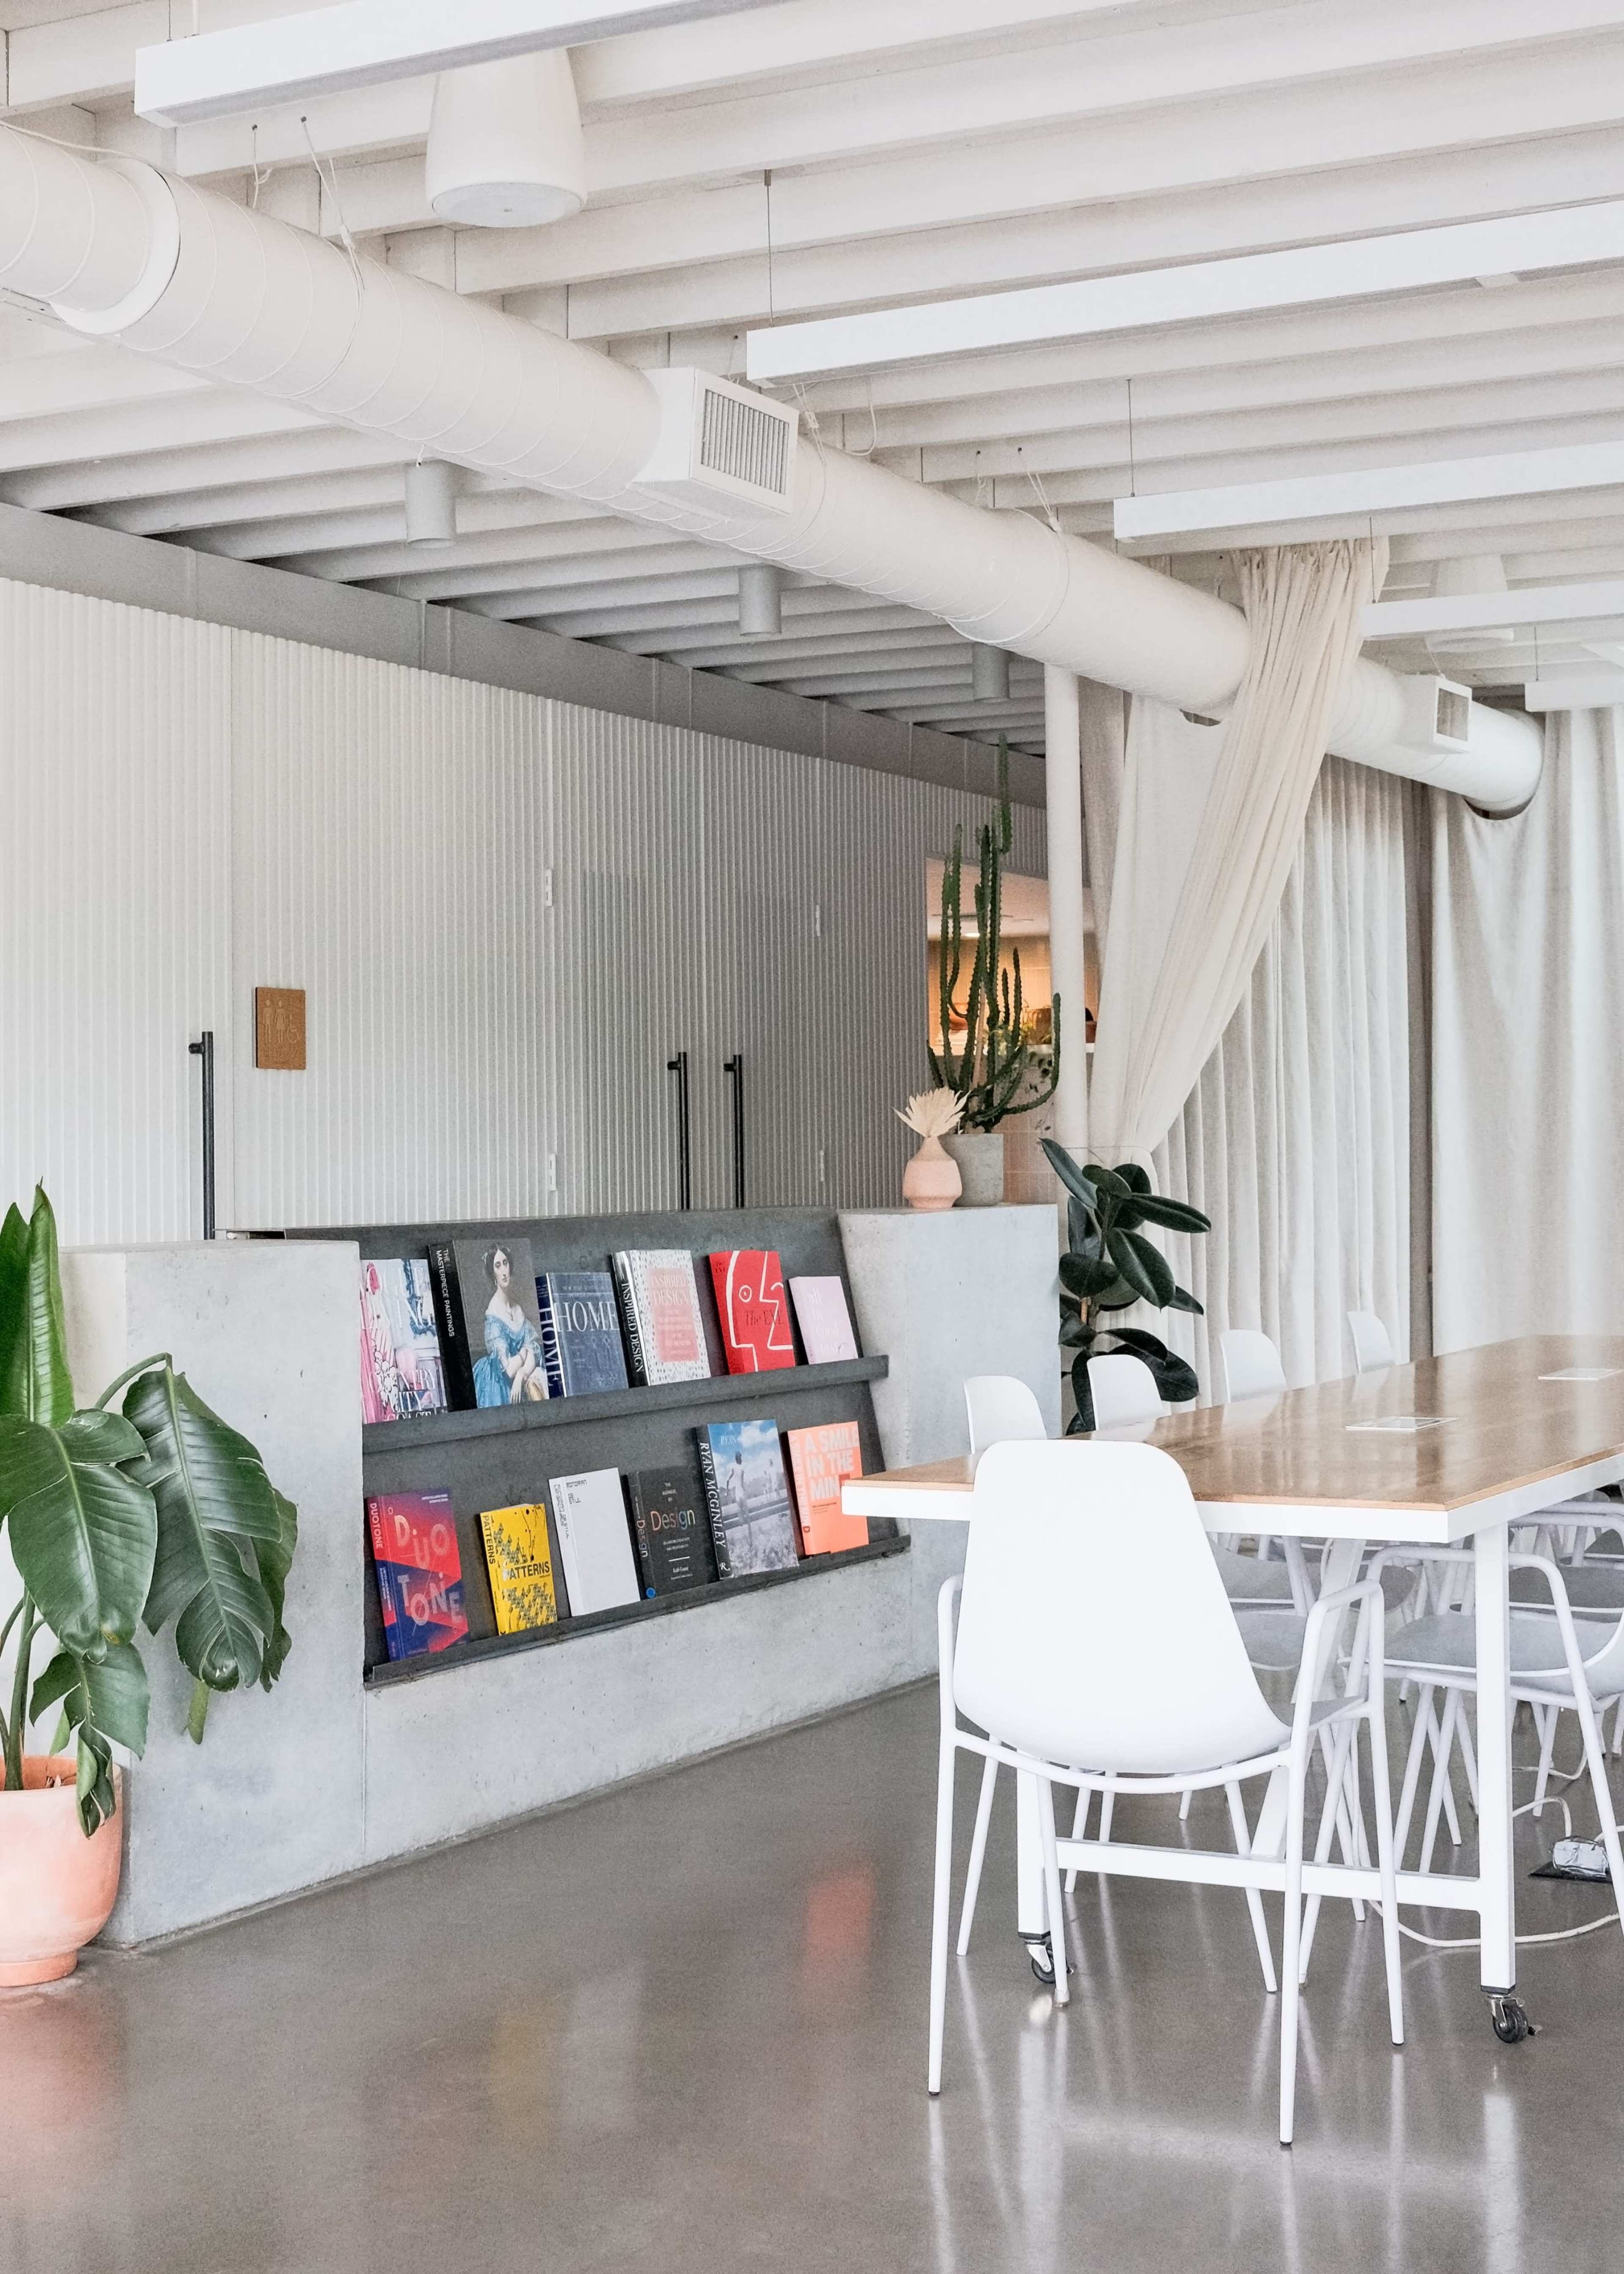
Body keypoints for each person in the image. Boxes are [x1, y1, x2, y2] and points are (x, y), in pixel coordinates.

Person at [472, 1244, 544, 1406]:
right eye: (498, 1266)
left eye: (506, 1263)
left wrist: (522, 1375)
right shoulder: (493, 1316)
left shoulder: (517, 1309)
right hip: (497, 1382)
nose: (504, 1271)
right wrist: (524, 1352)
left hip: (519, 1376)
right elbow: (509, 1370)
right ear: (493, 1274)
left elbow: (532, 1356)